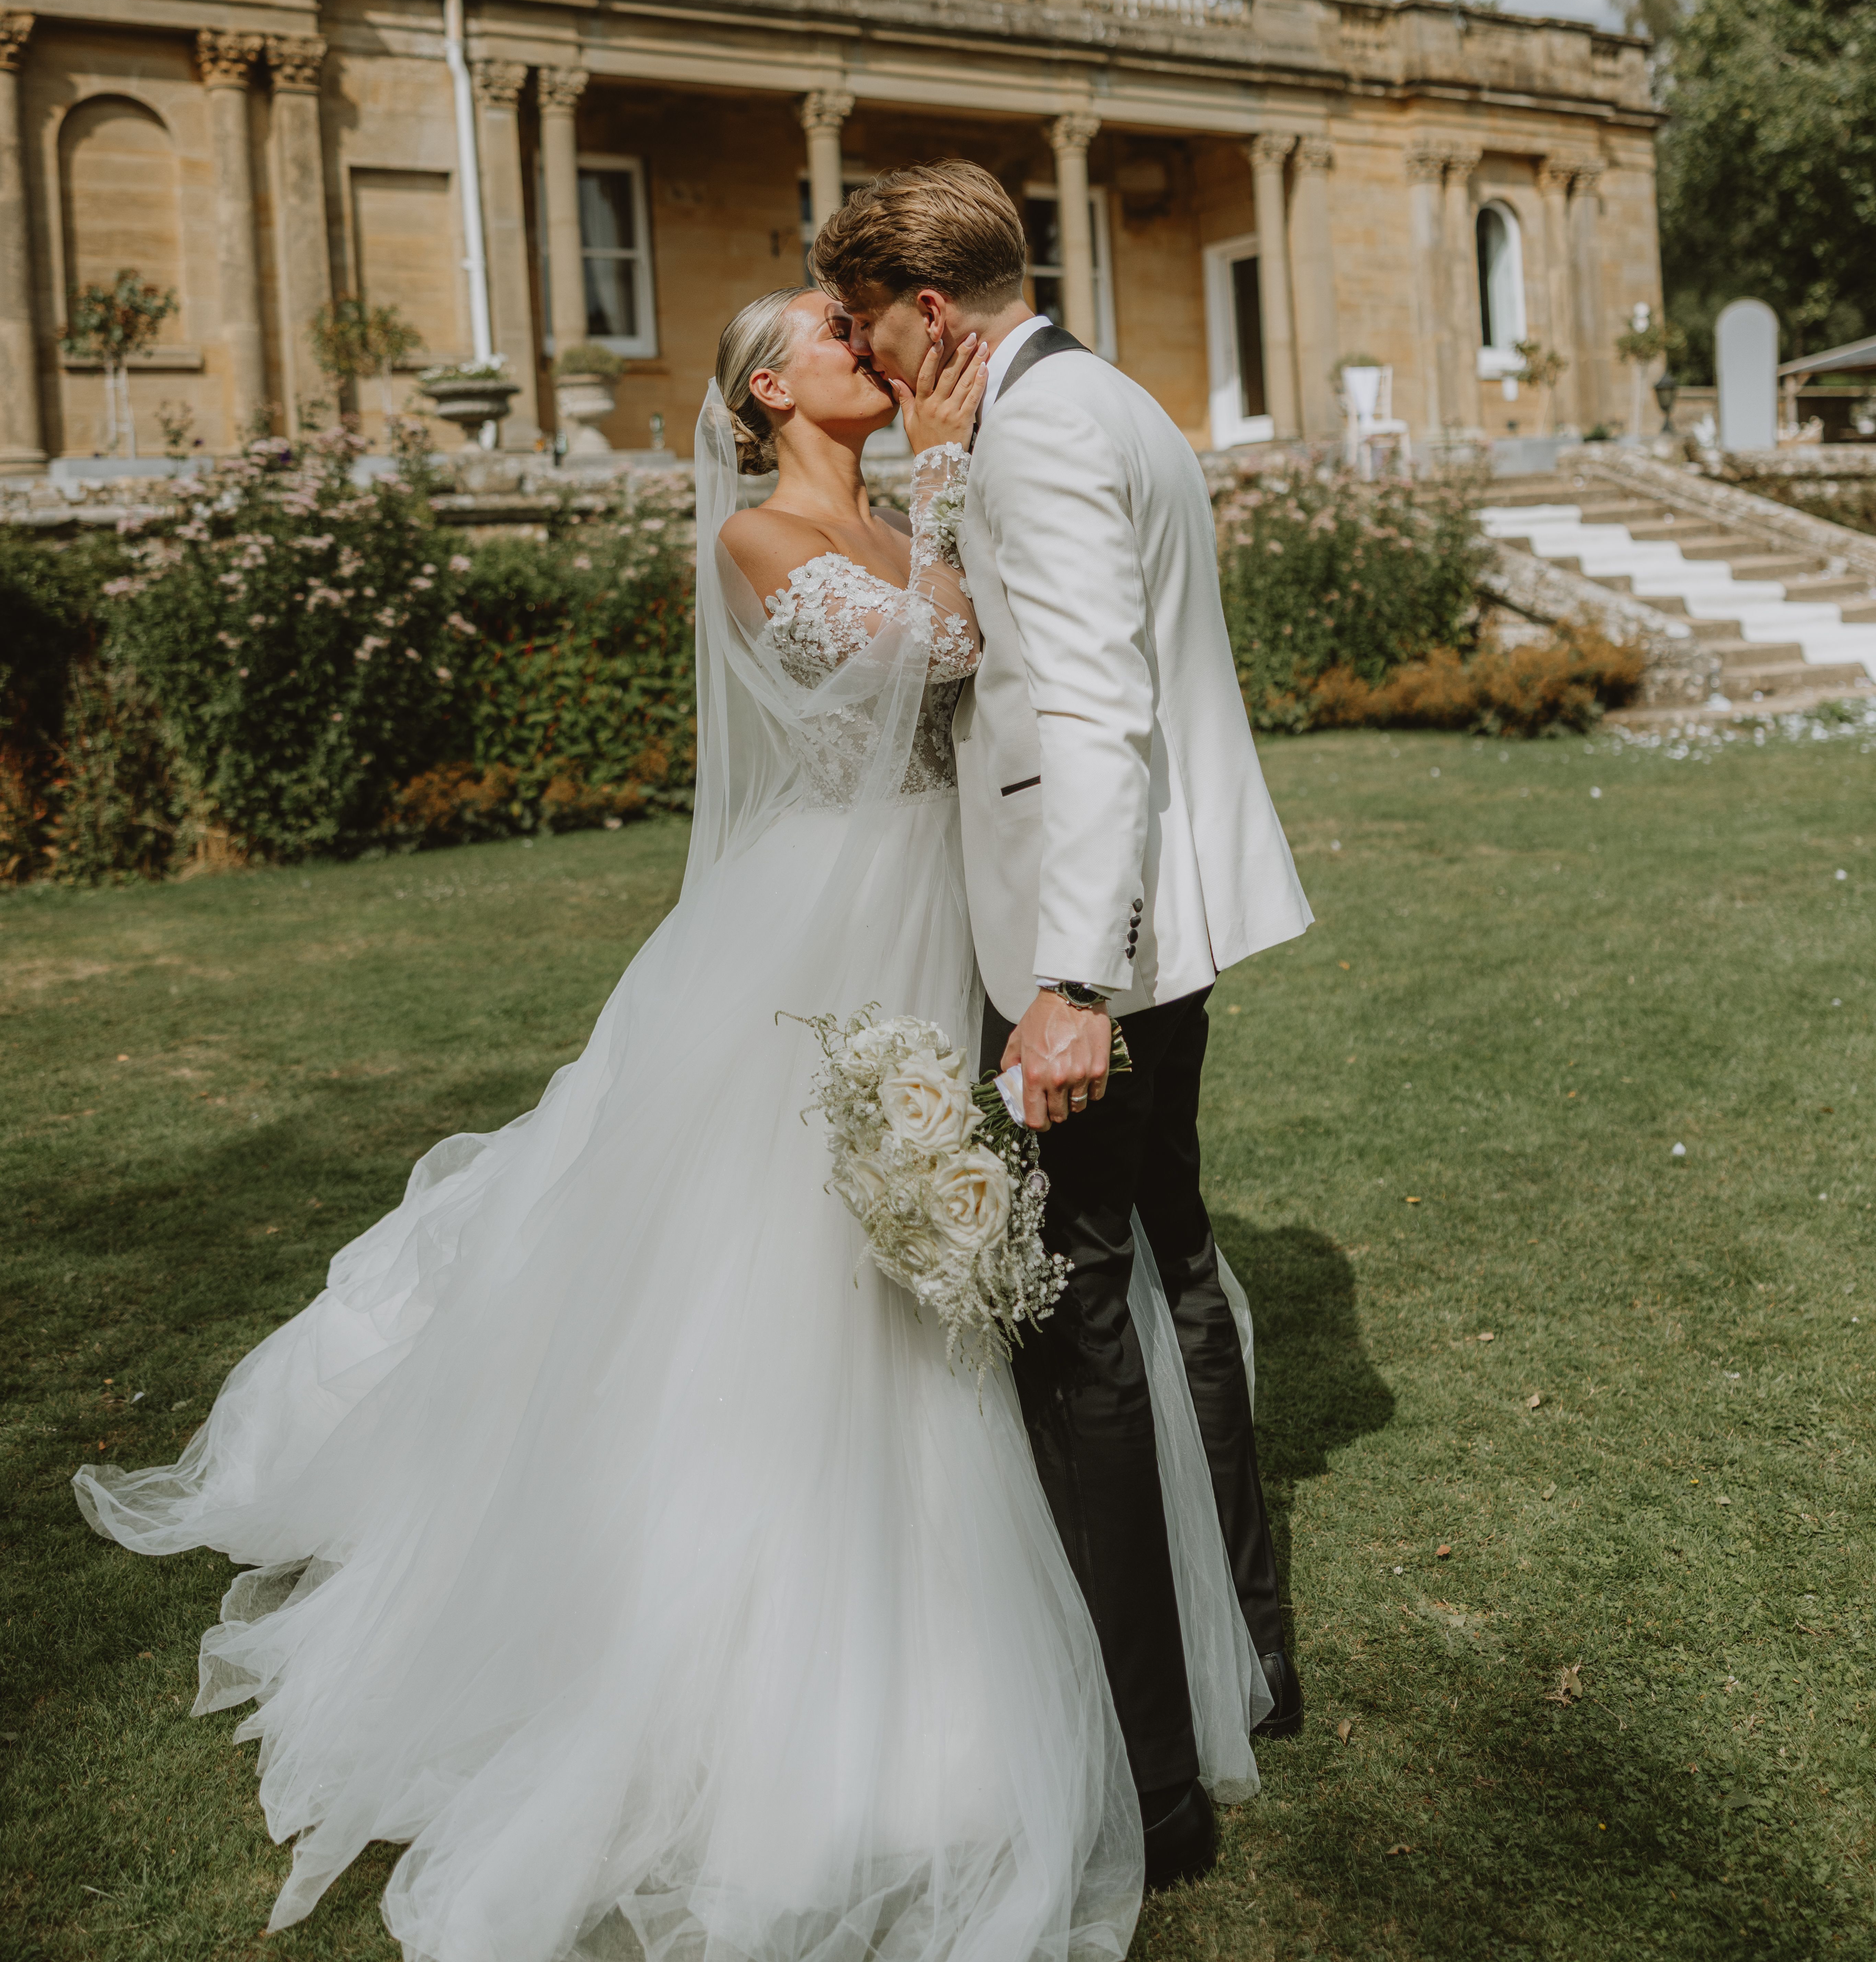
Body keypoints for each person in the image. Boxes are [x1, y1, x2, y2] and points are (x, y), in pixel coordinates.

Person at [73, 284, 1268, 1962]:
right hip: (835, 925)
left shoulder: (909, 487)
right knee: (803, 1266)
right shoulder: (766, 540)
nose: (867, 342)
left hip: (969, 907)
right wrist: (944, 483)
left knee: (1018, 1259)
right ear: (771, 388)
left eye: (872, 323)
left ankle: (1085, 1607)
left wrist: (947, 491)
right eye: (830, 332)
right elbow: (950, 645)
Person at [815, 159, 1314, 1891]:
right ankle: (1253, 1651)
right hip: (1168, 922)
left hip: (1097, 940)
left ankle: (1154, 1782)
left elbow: (1097, 711)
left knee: (1077, 1323)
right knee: (1178, 1277)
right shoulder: (1107, 390)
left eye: (873, 336)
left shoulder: (1031, 432)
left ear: (932, 313)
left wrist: (1067, 979)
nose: (870, 369)